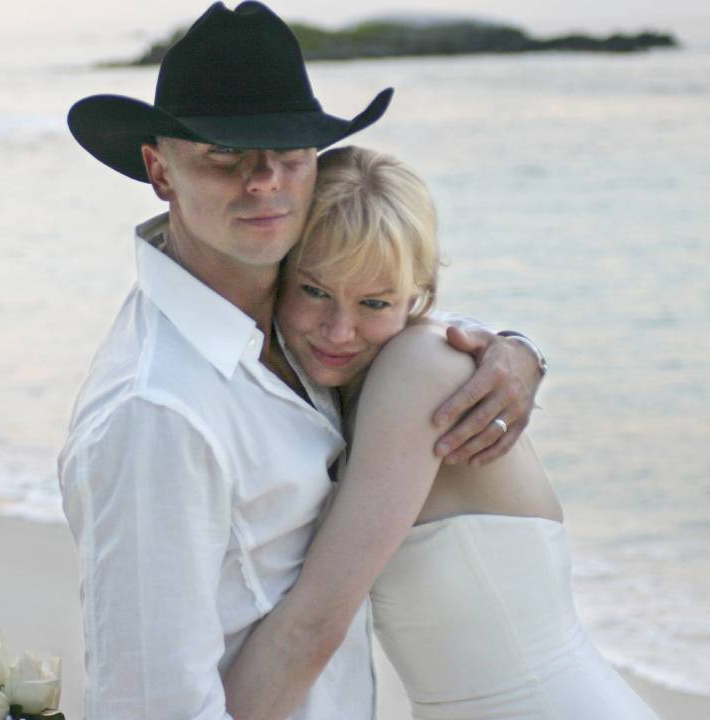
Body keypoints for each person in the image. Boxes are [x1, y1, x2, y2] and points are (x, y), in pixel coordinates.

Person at [58, 3, 546, 719]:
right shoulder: (158, 413)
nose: (264, 181)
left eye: (288, 152)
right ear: (160, 172)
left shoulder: (295, 323)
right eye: (224, 155)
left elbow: (387, 308)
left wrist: (514, 350)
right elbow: (151, 706)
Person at [221, 146, 659, 720]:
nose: (339, 329)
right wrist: (524, 347)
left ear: (418, 295)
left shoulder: (421, 367)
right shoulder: (343, 386)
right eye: (314, 290)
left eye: (374, 302)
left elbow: (312, 626)